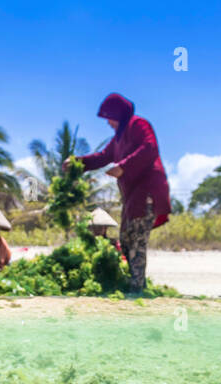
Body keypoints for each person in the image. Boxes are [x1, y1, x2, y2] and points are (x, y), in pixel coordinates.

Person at [69, 93, 170, 293]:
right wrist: (77, 162)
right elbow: (102, 157)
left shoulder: (139, 125)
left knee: (137, 240)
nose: (108, 122)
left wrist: (124, 166)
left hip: (147, 193)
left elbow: (150, 148)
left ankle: (136, 288)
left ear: (119, 114)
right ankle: (132, 282)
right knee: (125, 239)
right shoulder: (118, 139)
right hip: (132, 197)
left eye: (110, 117)